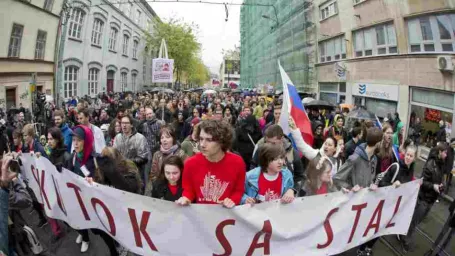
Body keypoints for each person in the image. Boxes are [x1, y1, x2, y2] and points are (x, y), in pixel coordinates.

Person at [333, 127, 383, 256]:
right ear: (378, 143)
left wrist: (372, 185)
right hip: (351, 205)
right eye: (381, 142)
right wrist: (350, 188)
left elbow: (370, 179)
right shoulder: (355, 158)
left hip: (364, 205)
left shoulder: (374, 159)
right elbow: (337, 178)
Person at [176, 120, 246, 208]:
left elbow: (238, 190)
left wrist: (232, 200)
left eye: (209, 140)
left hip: (226, 216)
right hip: (201, 215)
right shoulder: (190, 163)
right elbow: (188, 190)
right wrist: (186, 198)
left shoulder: (237, 162)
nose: (202, 144)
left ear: (221, 141)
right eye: (201, 139)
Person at [401, 143, 448, 252]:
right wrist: (433, 186)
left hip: (430, 199)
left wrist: (441, 185)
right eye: (445, 152)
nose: (446, 155)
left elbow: (440, 179)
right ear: (440, 152)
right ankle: (405, 240)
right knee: (414, 221)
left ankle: (404, 235)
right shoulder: (430, 164)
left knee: (417, 220)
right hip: (423, 198)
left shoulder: (441, 164)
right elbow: (424, 182)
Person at [252, 124, 305, 196]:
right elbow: (253, 167)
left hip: (285, 198)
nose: (269, 145)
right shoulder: (261, 150)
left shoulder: (292, 153)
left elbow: (300, 177)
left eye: (273, 143)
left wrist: (292, 190)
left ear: (281, 139)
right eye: (267, 142)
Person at [46, 127, 71, 241]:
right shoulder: (51, 154)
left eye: (51, 139)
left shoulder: (66, 156)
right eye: (48, 139)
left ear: (58, 139)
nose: (49, 141)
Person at [147, 125, 187, 194]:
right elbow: (153, 175)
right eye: (162, 138)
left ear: (173, 139)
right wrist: (158, 186)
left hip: (178, 191)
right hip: (161, 190)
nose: (164, 140)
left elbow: (186, 175)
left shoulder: (181, 154)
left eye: (167, 137)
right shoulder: (157, 154)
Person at [113, 115, 149, 184]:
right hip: (121, 175)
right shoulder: (117, 137)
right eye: (122, 123)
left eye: (126, 123)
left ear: (131, 125)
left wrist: (127, 162)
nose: (124, 125)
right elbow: (114, 154)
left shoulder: (140, 138)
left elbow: (144, 157)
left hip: (136, 175)